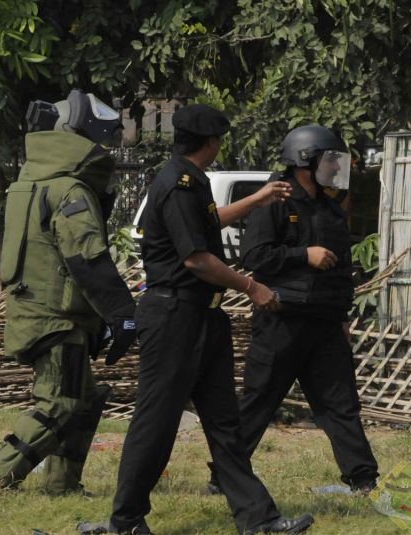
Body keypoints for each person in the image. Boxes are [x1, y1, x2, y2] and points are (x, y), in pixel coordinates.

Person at [77, 104, 314, 535]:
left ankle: (259, 520)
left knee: (225, 423)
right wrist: (252, 287)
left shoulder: (189, 179)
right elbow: (197, 259)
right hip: (174, 317)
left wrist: (256, 199)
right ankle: (125, 521)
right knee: (157, 420)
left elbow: (206, 225)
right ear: (212, 142)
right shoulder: (180, 183)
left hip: (203, 318)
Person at [206, 125, 379, 496]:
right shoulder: (275, 200)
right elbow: (254, 256)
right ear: (305, 161)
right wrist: (304, 255)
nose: (335, 167)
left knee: (341, 403)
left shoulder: (330, 208)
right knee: (258, 401)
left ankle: (363, 478)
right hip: (282, 320)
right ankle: (224, 476)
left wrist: (343, 317)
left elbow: (343, 270)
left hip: (326, 322)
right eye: (329, 159)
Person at [0, 89, 138, 495]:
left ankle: (62, 483)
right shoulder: (70, 190)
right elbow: (87, 259)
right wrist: (122, 313)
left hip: (43, 311)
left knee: (83, 401)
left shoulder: (30, 182)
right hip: (57, 318)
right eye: (99, 140)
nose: (104, 150)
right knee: (61, 405)